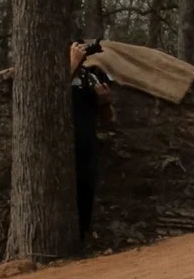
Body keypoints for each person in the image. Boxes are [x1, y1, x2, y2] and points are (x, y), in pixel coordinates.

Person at [70, 40, 114, 242]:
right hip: (62, 145)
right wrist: (72, 63)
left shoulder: (91, 77)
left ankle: (83, 233)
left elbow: (107, 120)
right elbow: (50, 96)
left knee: (86, 187)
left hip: (87, 142)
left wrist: (105, 102)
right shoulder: (56, 74)